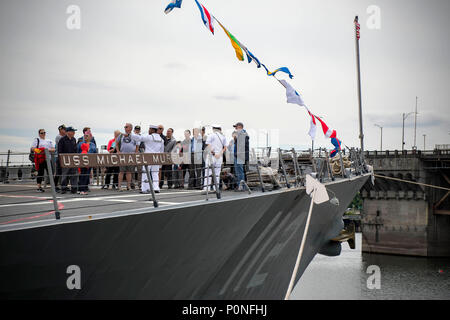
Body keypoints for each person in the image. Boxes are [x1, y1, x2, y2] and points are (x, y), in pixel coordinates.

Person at [115, 123, 140, 191]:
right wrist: (118, 151)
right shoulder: (121, 135)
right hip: (123, 155)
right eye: (125, 127)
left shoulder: (135, 136)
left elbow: (137, 145)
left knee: (129, 171)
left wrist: (135, 152)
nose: (125, 128)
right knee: (121, 171)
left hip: (131, 155)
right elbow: (116, 143)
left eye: (126, 127)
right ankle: (119, 186)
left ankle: (128, 186)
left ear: (130, 128)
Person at [203, 125, 227, 193]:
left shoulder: (211, 135)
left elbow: (208, 145)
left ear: (213, 129)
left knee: (208, 172)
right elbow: (225, 147)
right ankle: (215, 188)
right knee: (217, 173)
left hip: (212, 155)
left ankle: (206, 189)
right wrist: (219, 154)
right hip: (219, 156)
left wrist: (214, 154)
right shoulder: (223, 136)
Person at [140, 125, 164, 193]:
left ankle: (145, 188)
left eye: (149, 129)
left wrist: (130, 135)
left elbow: (139, 138)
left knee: (145, 172)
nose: (148, 130)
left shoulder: (148, 137)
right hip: (156, 157)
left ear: (153, 130)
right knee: (155, 173)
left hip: (148, 157)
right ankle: (156, 187)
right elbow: (162, 151)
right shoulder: (161, 139)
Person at [58, 126, 78, 194]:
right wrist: (61, 160)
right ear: (68, 132)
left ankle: (74, 188)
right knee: (65, 175)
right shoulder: (62, 140)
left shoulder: (74, 139)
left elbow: (75, 150)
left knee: (74, 175)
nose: (74, 133)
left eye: (74, 131)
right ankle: (63, 188)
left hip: (73, 160)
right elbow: (59, 151)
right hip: (65, 160)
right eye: (72, 131)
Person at [233, 122, 250, 190]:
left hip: (240, 155)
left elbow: (242, 145)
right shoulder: (240, 134)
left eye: (236, 127)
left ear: (240, 127)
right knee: (238, 171)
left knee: (240, 171)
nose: (235, 129)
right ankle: (239, 185)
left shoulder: (243, 134)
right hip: (237, 155)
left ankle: (241, 186)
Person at [54, 124, 66, 191]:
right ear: (60, 130)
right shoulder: (58, 137)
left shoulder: (64, 136)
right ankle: (55, 186)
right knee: (58, 172)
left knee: (64, 172)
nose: (65, 130)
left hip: (63, 156)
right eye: (64, 129)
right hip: (59, 156)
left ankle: (63, 185)